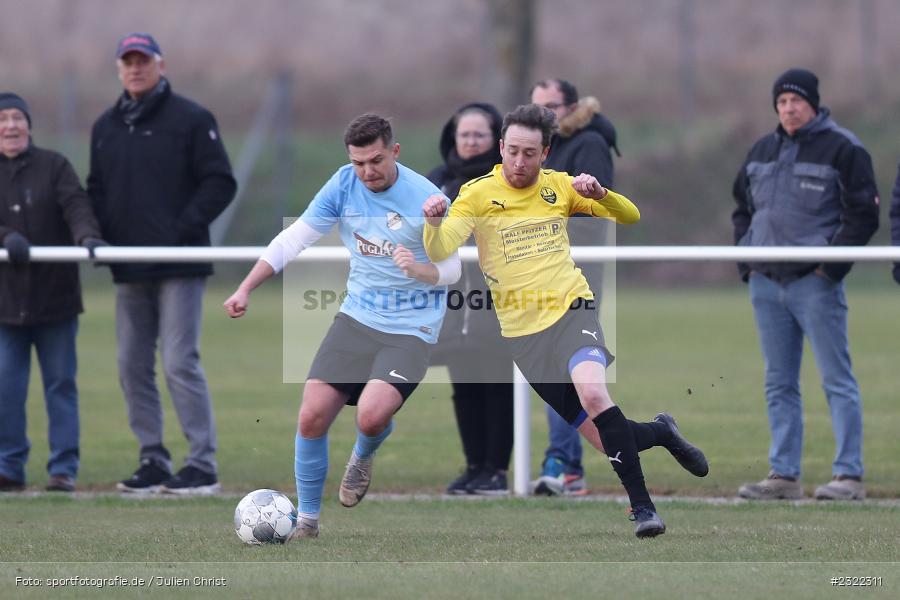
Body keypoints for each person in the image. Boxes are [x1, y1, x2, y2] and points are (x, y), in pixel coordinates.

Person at [422, 104, 708, 538]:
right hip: (523, 336)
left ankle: (644, 510)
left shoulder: (561, 187)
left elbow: (629, 216)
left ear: (546, 152)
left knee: (594, 392)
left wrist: (601, 195)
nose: (520, 162)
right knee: (607, 438)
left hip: (572, 309)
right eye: (513, 151)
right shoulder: (477, 193)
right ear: (501, 148)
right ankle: (662, 432)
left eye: (530, 153)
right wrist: (432, 223)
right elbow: (441, 250)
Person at [224, 114, 460, 539]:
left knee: (370, 417)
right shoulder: (343, 184)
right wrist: (245, 288)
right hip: (357, 316)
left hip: (412, 326)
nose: (367, 172)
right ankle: (307, 523)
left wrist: (419, 270)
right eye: (358, 162)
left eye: (375, 160)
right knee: (312, 416)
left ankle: (363, 454)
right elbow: (293, 239)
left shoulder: (426, 198)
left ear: (395, 151)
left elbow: (453, 270)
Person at [87, 33, 237, 495]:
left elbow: (219, 182)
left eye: (143, 60)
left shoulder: (191, 118)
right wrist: (96, 235)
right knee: (132, 364)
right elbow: (96, 189)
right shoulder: (106, 126)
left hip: (179, 264)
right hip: (129, 267)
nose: (135, 68)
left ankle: (201, 464)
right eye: (127, 61)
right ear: (118, 68)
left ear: (160, 64)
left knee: (178, 361)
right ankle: (152, 457)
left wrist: (179, 231)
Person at [732, 69, 879, 501]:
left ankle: (848, 475)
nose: (788, 109)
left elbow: (863, 215)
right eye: (781, 102)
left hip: (815, 284)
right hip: (766, 283)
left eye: (796, 101)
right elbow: (741, 208)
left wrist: (829, 269)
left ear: (813, 103)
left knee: (836, 379)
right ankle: (784, 476)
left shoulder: (844, 149)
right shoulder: (761, 149)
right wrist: (747, 263)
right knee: (778, 382)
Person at [0, 93, 106, 493]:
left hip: (55, 301)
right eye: (3, 118)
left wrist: (88, 236)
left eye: (17, 118)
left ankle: (63, 468)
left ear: (28, 124)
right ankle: (8, 467)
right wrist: (6, 236)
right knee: (6, 387)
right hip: (6, 306)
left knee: (60, 385)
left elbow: (75, 205)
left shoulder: (54, 166)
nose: (10, 125)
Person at [529, 78, 620, 496]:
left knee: (569, 375)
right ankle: (565, 461)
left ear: (572, 106)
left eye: (550, 107)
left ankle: (565, 464)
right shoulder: (545, 149)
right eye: (535, 107)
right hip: (541, 278)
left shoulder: (588, 146)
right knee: (558, 374)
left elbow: (592, 211)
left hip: (574, 279)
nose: (542, 115)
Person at [427, 103, 513, 496]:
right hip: (450, 303)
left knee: (496, 383)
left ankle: (496, 470)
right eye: (465, 134)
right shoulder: (438, 181)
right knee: (463, 385)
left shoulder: (506, 181)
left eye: (479, 135)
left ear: (495, 140)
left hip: (495, 299)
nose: (471, 141)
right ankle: (474, 466)